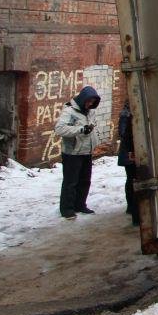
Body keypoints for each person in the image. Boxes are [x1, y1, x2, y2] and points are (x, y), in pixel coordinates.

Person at [55, 85, 100, 219]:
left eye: (92, 102)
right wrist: (80, 129)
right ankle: (67, 209)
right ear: (82, 99)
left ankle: (80, 204)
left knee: (85, 180)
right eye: (88, 101)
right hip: (72, 152)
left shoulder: (90, 111)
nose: (90, 104)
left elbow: (92, 125)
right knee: (71, 181)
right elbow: (60, 129)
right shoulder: (69, 111)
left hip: (86, 151)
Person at [118, 99, 139, 226]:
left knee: (132, 179)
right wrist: (131, 151)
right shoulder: (126, 116)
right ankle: (132, 208)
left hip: (130, 152)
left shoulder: (128, 114)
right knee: (132, 180)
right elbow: (123, 133)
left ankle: (132, 208)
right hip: (129, 154)